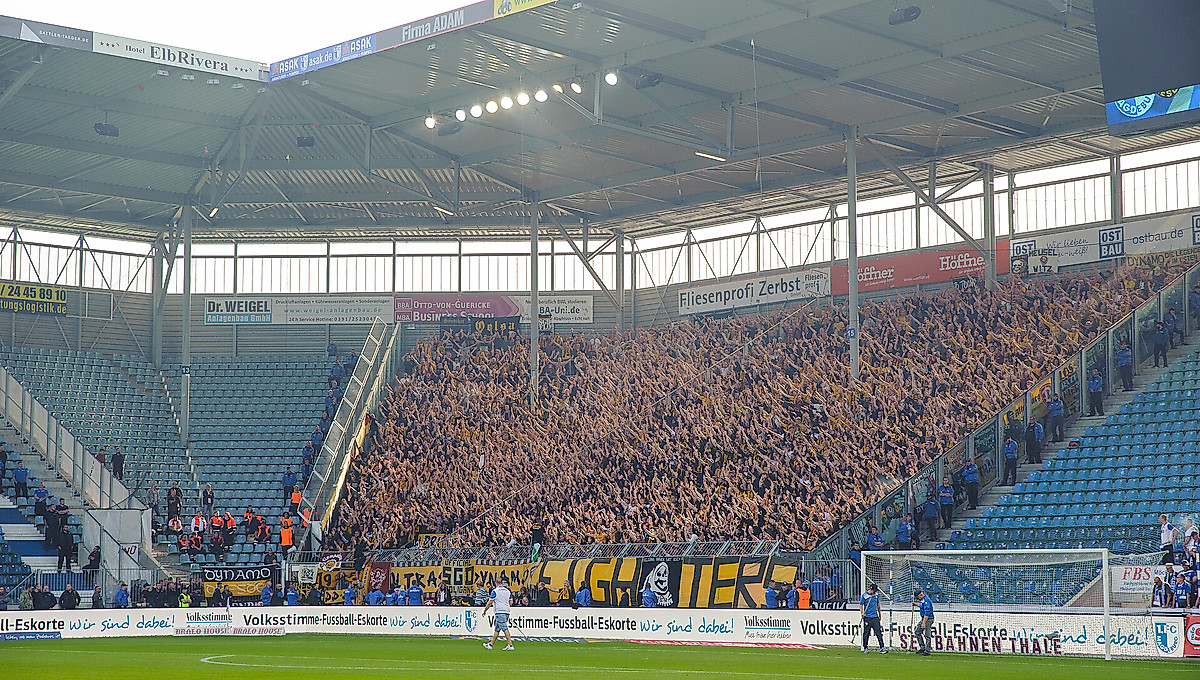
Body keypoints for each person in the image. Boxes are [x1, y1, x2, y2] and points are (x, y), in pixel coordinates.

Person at [482, 575, 515, 651]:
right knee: (497, 629)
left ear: (496, 583)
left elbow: (490, 602)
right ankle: (491, 645)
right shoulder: (507, 591)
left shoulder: (495, 591)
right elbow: (511, 601)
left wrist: (485, 611)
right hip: (506, 611)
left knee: (504, 628)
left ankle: (510, 645)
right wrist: (506, 607)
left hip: (499, 612)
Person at [859, 583, 887, 654]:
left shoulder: (876, 596)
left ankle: (882, 648)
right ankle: (865, 647)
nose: (875, 592)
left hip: (875, 617)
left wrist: (879, 614)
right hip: (867, 617)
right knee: (866, 633)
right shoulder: (865, 595)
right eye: (874, 591)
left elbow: (878, 605)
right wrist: (862, 613)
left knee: (878, 633)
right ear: (870, 589)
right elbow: (861, 605)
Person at [913, 589, 933, 656]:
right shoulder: (923, 600)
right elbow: (922, 605)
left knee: (927, 635)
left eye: (918, 597)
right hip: (924, 618)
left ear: (921, 595)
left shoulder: (926, 600)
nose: (917, 599)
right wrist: (916, 604)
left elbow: (927, 613)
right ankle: (922, 647)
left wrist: (923, 623)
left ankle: (927, 651)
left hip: (928, 619)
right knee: (917, 631)